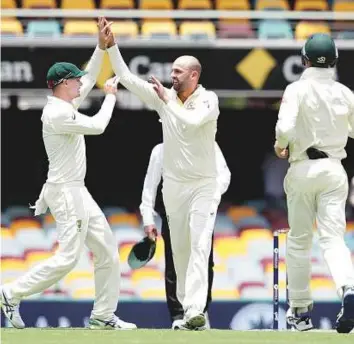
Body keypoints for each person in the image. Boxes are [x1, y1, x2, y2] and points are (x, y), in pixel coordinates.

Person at [0, 18, 136, 331]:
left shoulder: (66, 101)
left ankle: (103, 317)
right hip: (65, 191)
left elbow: (88, 77)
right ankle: (10, 293)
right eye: (74, 80)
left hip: (77, 190)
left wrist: (101, 47)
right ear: (63, 84)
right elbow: (99, 127)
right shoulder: (57, 112)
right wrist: (112, 95)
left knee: (107, 251)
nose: (80, 83)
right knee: (68, 258)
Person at [101, 18, 223, 330]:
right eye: (171, 73)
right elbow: (126, 76)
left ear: (193, 75)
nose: (172, 77)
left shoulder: (208, 100)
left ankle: (196, 309)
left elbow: (192, 123)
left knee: (200, 244)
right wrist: (111, 45)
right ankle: (185, 314)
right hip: (174, 188)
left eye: (178, 73)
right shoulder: (164, 96)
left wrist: (167, 100)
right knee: (180, 252)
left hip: (203, 185)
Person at [274, 33, 354, 333]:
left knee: (299, 241)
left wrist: (280, 145)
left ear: (303, 59)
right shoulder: (345, 93)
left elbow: (284, 127)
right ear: (334, 60)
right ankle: (348, 288)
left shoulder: (296, 89)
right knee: (333, 239)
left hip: (303, 168)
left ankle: (300, 313)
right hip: (335, 169)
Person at [139, 142, 231, 330]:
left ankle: (200, 311)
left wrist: (210, 198)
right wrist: (147, 218)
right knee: (174, 261)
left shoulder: (207, 145)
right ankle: (179, 315)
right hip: (173, 212)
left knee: (203, 258)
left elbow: (224, 175)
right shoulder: (161, 150)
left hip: (202, 208)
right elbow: (150, 186)